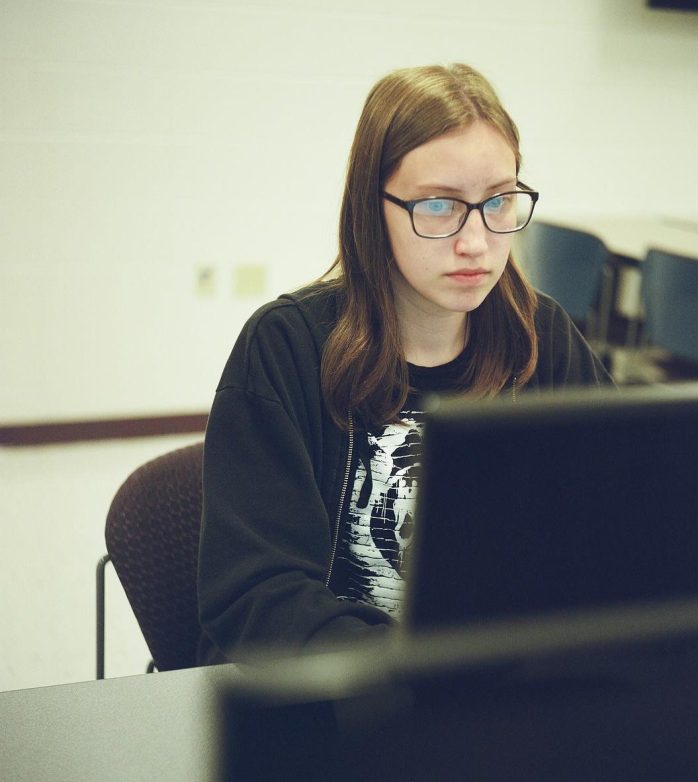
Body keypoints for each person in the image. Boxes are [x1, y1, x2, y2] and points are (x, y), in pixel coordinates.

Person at [196, 63, 612, 665]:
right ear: (374, 208)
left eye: (499, 200)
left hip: (500, 708)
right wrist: (428, 673)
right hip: (334, 713)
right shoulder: (287, 346)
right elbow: (260, 599)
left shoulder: (540, 336)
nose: (476, 241)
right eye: (439, 205)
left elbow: (619, 530)